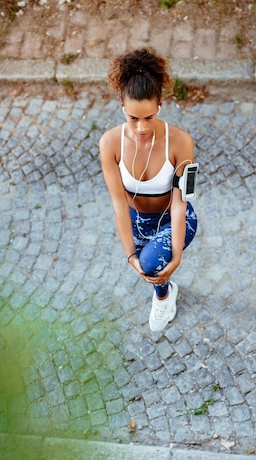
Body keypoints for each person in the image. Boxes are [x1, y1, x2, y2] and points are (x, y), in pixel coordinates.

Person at [99, 48, 198, 332]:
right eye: (133, 118)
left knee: (153, 262)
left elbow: (181, 202)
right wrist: (129, 254)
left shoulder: (181, 142)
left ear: (160, 105)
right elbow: (119, 204)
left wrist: (177, 254)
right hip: (136, 220)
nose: (141, 127)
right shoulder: (109, 143)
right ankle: (160, 279)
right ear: (121, 107)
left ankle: (164, 297)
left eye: (149, 117)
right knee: (145, 264)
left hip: (172, 216)